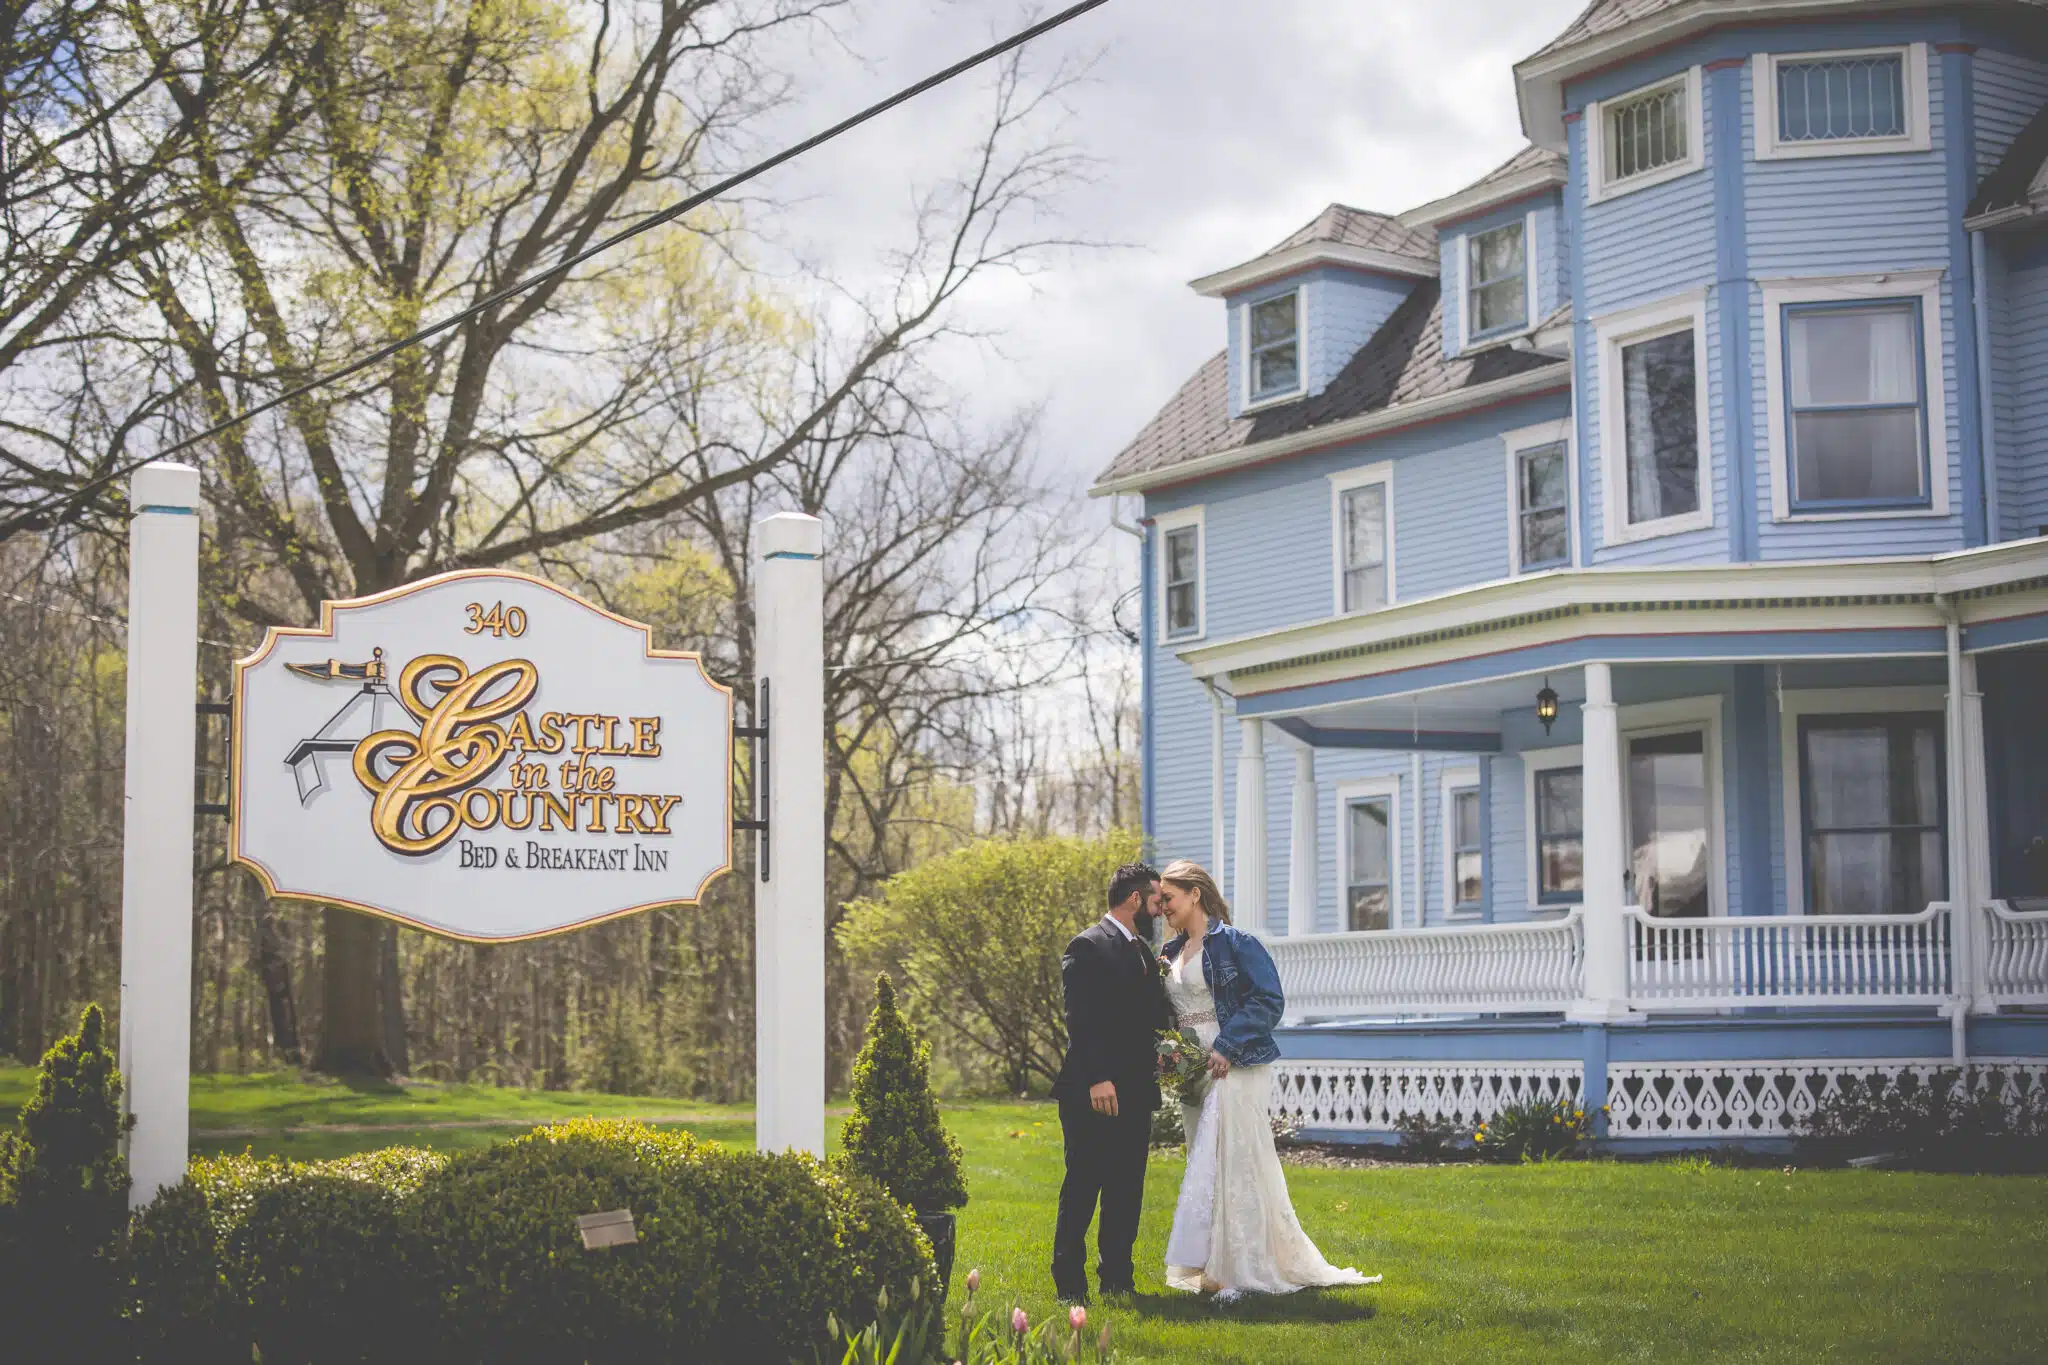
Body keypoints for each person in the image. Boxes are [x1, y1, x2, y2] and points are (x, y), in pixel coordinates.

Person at [1155, 858, 1379, 1301]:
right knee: (1203, 1165)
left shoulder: (1236, 944)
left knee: (1236, 1163)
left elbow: (1268, 1000)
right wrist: (1171, 1055)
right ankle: (1208, 1267)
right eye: (1160, 899)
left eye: (1169, 897)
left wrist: (1227, 1046)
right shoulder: (1170, 952)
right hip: (1192, 1070)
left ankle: (1239, 1270)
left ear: (1195, 894)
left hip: (1234, 1065)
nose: (1162, 906)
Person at [1050, 861, 1170, 1304]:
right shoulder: (1088, 945)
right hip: (1093, 1090)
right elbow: (1080, 1019)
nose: (1160, 909)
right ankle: (1069, 1285)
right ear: (1135, 899)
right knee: (1084, 1184)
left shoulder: (1143, 952)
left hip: (1136, 1089)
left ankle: (1117, 1279)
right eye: (1156, 900)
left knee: (1126, 1187)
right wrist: (1098, 1078)